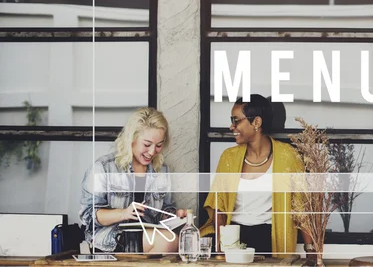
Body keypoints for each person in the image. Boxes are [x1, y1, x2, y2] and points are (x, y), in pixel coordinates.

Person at [199, 94, 316, 260]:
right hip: (234, 236)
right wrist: (220, 247)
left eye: (236, 120)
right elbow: (219, 206)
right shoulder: (229, 157)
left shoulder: (288, 156)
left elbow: (301, 206)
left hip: (269, 237)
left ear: (256, 122)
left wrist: (311, 250)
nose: (231, 126)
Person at [79, 107, 186, 253]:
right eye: (147, 144)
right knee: (168, 240)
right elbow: (89, 216)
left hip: (147, 236)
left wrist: (174, 216)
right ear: (132, 139)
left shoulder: (162, 170)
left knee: (175, 239)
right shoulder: (103, 168)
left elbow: (164, 209)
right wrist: (124, 213)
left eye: (159, 145)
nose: (152, 152)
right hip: (110, 239)